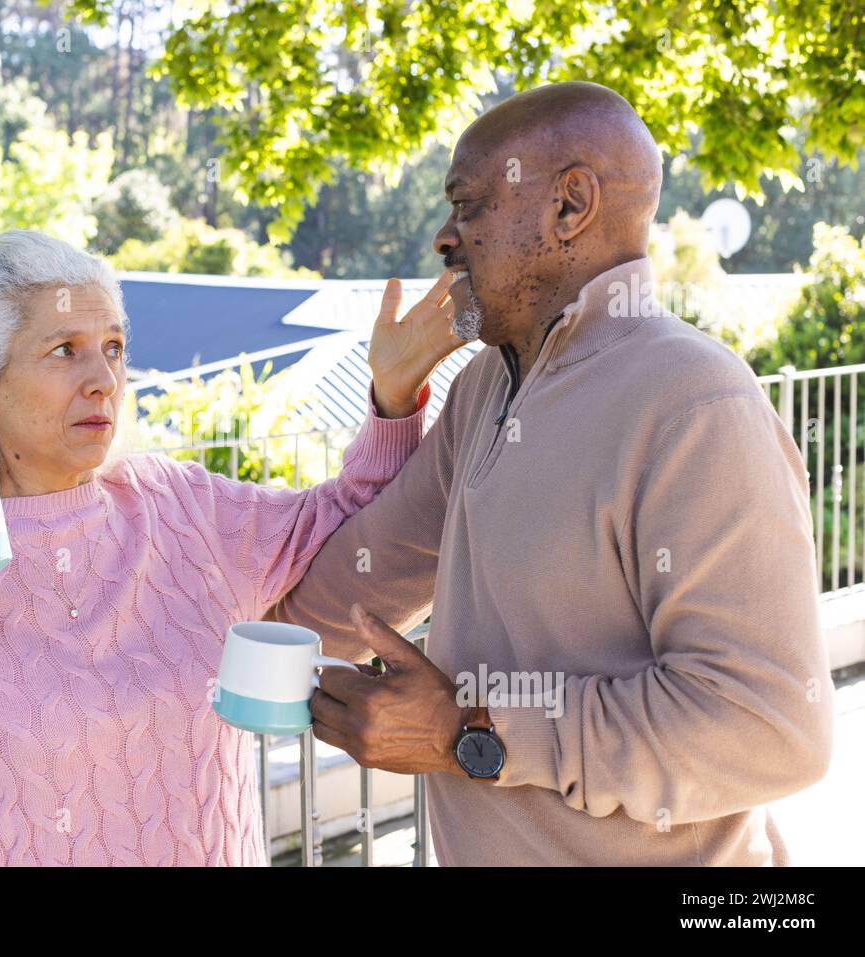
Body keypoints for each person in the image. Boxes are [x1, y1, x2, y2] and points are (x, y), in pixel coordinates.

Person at [0, 229, 464, 865]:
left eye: (115, 347)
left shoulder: (179, 507)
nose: (103, 378)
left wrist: (392, 397)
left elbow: (353, 524)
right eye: (64, 349)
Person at [268, 81, 836, 865]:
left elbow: (769, 730)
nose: (442, 237)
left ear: (571, 206)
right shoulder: (484, 390)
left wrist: (467, 731)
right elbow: (338, 593)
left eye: (468, 206)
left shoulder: (697, 404)